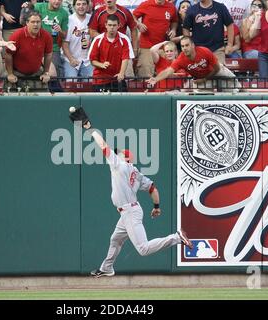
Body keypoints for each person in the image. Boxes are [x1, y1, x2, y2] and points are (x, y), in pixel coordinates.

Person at [72, 115, 193, 278]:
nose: (117, 154)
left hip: (130, 212)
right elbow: (153, 189)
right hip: (129, 211)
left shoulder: (118, 164)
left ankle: (176, 238)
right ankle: (107, 267)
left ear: (126, 157)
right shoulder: (137, 173)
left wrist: (90, 129)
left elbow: (102, 145)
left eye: (120, 153)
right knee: (115, 239)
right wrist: (156, 207)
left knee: (143, 249)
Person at [147, 36, 239, 91]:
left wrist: (204, 79)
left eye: (187, 45)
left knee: (235, 86)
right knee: (199, 92)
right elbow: (168, 71)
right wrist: (156, 79)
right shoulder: (181, 59)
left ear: (193, 45)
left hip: (216, 71)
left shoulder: (204, 51)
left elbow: (217, 69)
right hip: (203, 79)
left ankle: (242, 89)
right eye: (182, 46)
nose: (184, 48)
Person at [5, 11, 52, 91]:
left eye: (38, 22)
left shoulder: (46, 36)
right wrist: (10, 74)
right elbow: (8, 54)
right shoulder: (17, 35)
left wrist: (46, 72)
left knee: (43, 99)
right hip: (16, 72)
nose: (35, 24)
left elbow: (48, 54)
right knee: (11, 99)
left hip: (36, 72)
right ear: (27, 22)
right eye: (33, 22)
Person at [88, 14, 134, 92]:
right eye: (109, 25)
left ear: (119, 26)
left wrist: (122, 73)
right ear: (105, 25)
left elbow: (125, 58)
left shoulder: (124, 39)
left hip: (117, 78)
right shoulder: (98, 39)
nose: (112, 27)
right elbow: (92, 60)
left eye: (114, 25)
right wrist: (101, 65)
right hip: (100, 79)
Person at [133, 0, 178, 77]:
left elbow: (174, 21)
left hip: (164, 47)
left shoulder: (171, 7)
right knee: (145, 76)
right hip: (146, 46)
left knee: (165, 75)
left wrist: (173, 29)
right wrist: (138, 24)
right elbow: (133, 16)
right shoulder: (146, 4)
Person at [62, 0, 93, 78]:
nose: (81, 7)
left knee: (91, 85)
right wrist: (71, 59)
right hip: (70, 59)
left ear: (87, 6)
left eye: (84, 4)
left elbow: (95, 39)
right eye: (78, 4)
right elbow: (65, 44)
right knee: (71, 83)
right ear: (74, 6)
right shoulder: (69, 20)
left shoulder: (92, 19)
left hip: (87, 61)